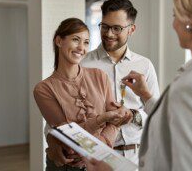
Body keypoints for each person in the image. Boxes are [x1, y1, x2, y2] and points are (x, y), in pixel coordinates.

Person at [85, 0, 192, 170]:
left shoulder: (191, 86)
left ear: (191, 20)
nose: (174, 24)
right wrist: (146, 96)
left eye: (175, 14)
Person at [45, 0, 160, 167]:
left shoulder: (145, 66)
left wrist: (132, 115)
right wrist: (52, 141)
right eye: (105, 26)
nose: (109, 34)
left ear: (131, 29)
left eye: (117, 28)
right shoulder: (82, 63)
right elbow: (57, 115)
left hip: (134, 157)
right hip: (91, 158)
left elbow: (155, 113)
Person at [33, 18, 130, 171]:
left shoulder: (100, 76)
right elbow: (69, 135)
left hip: (101, 162)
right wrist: (102, 119)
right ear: (59, 41)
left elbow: (115, 120)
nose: (81, 48)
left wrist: (101, 147)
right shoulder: (44, 89)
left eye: (86, 42)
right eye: (76, 40)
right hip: (66, 167)